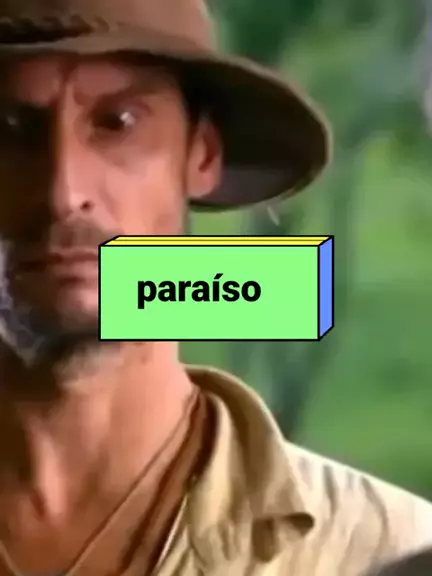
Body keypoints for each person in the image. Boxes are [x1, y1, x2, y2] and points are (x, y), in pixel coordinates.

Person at [0, 1, 429, 575]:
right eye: (10, 130)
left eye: (118, 123)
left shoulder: (384, 550)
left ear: (202, 153)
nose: (62, 191)